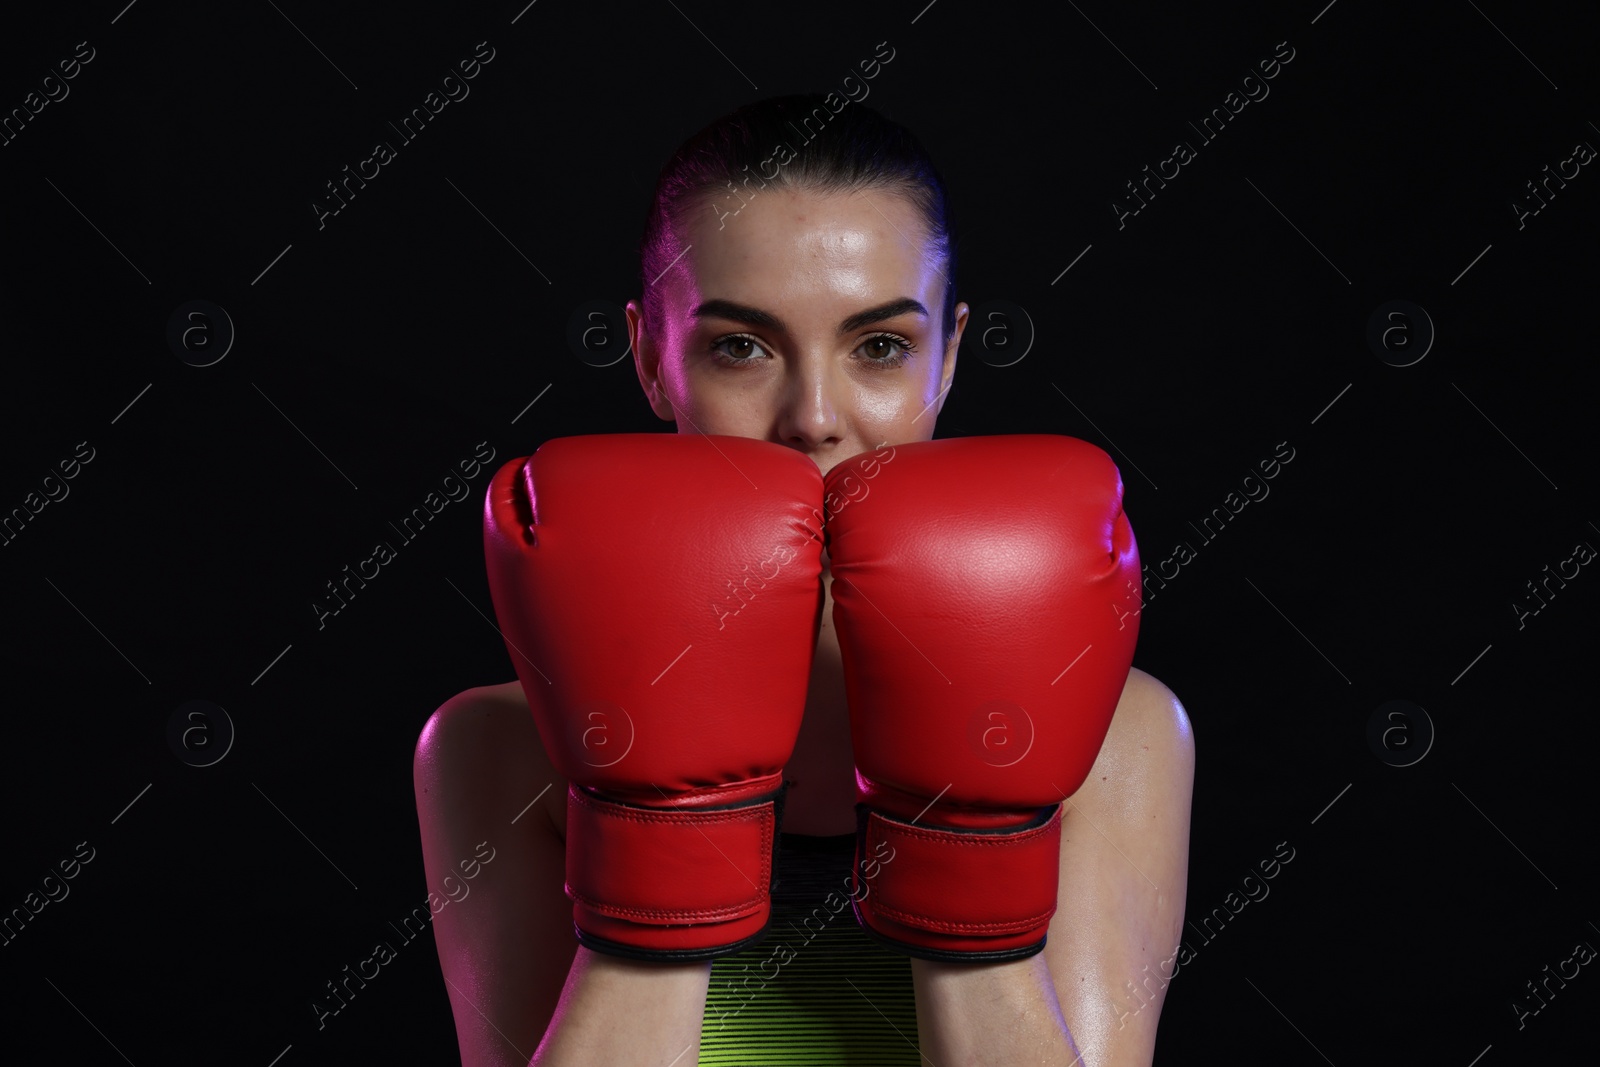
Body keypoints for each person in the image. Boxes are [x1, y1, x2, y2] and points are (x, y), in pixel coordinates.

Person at [413, 94, 1195, 1067]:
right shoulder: (499, 746)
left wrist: (964, 831)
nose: (813, 417)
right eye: (740, 346)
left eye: (879, 346)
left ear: (947, 359)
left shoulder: (1112, 737)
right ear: (653, 365)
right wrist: (658, 836)